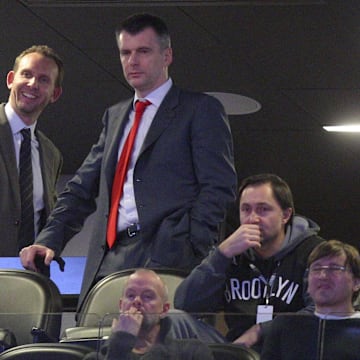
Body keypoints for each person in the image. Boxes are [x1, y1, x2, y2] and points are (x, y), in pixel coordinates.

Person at [20, 13, 237, 312]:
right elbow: (81, 188)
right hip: (109, 259)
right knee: (97, 347)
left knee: (158, 353)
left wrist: (190, 245)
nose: (132, 61)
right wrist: (49, 240)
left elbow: (219, 187)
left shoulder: (199, 110)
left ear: (167, 55)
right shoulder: (115, 115)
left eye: (143, 51)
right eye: (126, 52)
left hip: (171, 255)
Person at [174, 173, 324, 350]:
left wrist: (261, 330)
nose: (252, 218)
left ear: (285, 215)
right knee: (175, 320)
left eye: (263, 209)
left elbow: (323, 311)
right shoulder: (231, 253)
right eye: (246, 209)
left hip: (289, 349)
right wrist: (222, 254)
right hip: (238, 351)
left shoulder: (314, 251)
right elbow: (186, 305)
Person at [0, 45, 63, 256]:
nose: (33, 84)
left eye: (44, 80)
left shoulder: (52, 155)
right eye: (26, 74)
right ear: (11, 79)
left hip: (28, 281)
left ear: (55, 94)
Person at [84, 269, 214, 360]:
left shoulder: (192, 353)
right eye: (130, 295)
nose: (137, 301)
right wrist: (120, 343)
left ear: (164, 309)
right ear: (121, 306)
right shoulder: (94, 358)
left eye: (147, 296)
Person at [261, 239, 360, 360]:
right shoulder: (284, 326)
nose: (323, 276)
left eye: (334, 269)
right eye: (316, 269)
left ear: (356, 282)